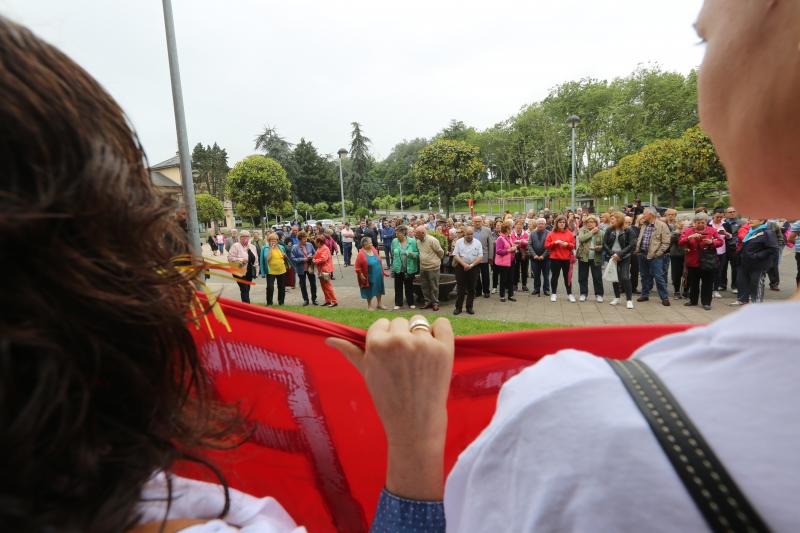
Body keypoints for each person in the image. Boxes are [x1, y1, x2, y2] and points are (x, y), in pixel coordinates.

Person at [679, 213, 724, 311]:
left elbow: (720, 242)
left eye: (703, 222)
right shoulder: (689, 231)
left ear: (706, 222)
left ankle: (706, 302)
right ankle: (693, 300)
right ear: (694, 223)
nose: (700, 224)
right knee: (693, 282)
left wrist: (712, 242)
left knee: (707, 283)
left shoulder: (712, 230)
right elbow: (681, 242)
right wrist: (689, 238)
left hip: (708, 261)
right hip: (693, 261)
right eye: (698, 222)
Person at [730, 218, 778, 306]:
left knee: (755, 283)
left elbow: (773, 248)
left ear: (762, 221)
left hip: (758, 264)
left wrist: (757, 256)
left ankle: (756, 303)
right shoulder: (751, 231)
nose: (750, 220)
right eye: (749, 218)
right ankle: (742, 299)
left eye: (753, 218)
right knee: (742, 281)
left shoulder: (767, 232)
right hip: (744, 262)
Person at [635, 207, 672, 306]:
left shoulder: (662, 225)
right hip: (642, 254)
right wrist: (638, 250)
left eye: (644, 214)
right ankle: (645, 294)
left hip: (655, 256)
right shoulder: (644, 225)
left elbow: (666, 242)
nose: (643, 216)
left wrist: (658, 253)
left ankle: (664, 297)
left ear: (651, 214)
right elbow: (641, 238)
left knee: (658, 277)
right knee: (644, 276)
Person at [602, 211, 635, 309]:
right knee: (614, 277)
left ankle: (629, 300)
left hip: (624, 257)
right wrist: (613, 254)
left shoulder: (628, 230)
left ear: (619, 219)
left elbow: (631, 245)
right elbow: (605, 244)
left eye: (613, 218)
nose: (611, 220)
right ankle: (617, 297)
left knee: (625, 277)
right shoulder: (609, 230)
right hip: (613, 257)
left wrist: (620, 254)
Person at [452, 226, 483, 315]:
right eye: (467, 234)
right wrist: (464, 264)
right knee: (460, 288)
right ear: (464, 233)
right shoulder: (459, 242)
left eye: (471, 234)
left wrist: (471, 265)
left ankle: (469, 307)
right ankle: (458, 308)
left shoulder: (477, 243)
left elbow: (480, 257)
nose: (469, 236)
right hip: (461, 268)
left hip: (473, 268)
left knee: (472, 288)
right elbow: (455, 255)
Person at [545, 215, 576, 303]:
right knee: (555, 276)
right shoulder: (551, 233)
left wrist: (567, 245)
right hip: (555, 259)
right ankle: (554, 294)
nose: (562, 224)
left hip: (567, 259)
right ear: (556, 223)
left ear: (565, 223)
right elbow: (546, 245)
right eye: (560, 222)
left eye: (563, 222)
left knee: (567, 277)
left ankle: (569, 294)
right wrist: (554, 243)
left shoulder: (569, 233)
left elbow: (573, 245)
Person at [415, 225, 445, 311]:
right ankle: (427, 302)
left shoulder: (432, 240)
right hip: (423, 267)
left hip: (433, 267)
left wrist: (435, 261)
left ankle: (435, 303)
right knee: (424, 286)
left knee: (434, 286)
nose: (416, 235)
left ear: (423, 233)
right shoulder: (418, 241)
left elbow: (440, 252)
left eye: (417, 234)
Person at [576, 215, 605, 303]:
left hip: (596, 257)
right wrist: (592, 232)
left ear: (596, 223)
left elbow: (605, 246)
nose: (589, 223)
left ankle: (599, 294)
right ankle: (583, 294)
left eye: (592, 222)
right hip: (583, 257)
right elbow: (581, 239)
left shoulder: (601, 232)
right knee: (582, 277)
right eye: (588, 222)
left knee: (597, 277)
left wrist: (599, 247)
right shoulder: (582, 230)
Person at [355, 237, 388, 310]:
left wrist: (382, 271)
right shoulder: (361, 254)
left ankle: (379, 304)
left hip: (378, 273)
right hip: (369, 274)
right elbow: (357, 267)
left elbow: (379, 260)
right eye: (370, 243)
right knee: (369, 290)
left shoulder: (373, 249)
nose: (372, 244)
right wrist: (361, 275)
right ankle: (369, 306)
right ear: (365, 244)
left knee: (379, 288)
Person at [391, 225, 419, 310]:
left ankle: (411, 303)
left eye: (398, 234)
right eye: (396, 233)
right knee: (398, 286)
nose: (396, 235)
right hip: (398, 268)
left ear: (403, 233)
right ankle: (398, 303)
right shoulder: (394, 241)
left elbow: (417, 253)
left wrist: (413, 254)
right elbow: (392, 253)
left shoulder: (412, 241)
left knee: (409, 286)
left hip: (409, 268)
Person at [227, 230, 259, 304]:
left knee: (247, 289)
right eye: (243, 236)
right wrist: (240, 260)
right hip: (238, 272)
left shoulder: (252, 247)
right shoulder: (236, 246)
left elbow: (256, 260)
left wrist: (256, 272)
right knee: (244, 288)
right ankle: (247, 307)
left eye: (247, 236)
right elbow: (230, 258)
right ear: (240, 237)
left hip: (249, 272)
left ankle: (244, 305)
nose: (245, 238)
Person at [259, 232, 288, 306]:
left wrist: (284, 256)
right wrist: (271, 249)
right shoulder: (266, 248)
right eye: (271, 240)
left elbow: (284, 258)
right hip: (271, 271)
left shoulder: (281, 247)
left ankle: (281, 302)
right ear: (268, 241)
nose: (273, 241)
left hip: (281, 270)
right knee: (270, 287)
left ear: (277, 240)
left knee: (281, 287)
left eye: (275, 240)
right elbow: (267, 259)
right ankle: (269, 303)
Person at [291, 231, 318, 306]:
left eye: (306, 238)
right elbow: (293, 259)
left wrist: (311, 257)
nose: (306, 240)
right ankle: (306, 300)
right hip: (301, 269)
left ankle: (314, 299)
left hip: (310, 267)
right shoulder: (295, 247)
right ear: (299, 239)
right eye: (304, 239)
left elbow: (314, 253)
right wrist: (303, 259)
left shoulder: (309, 245)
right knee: (303, 285)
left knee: (313, 284)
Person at [492, 222, 516, 302]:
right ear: (506, 229)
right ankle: (502, 296)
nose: (512, 230)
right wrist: (509, 250)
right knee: (503, 279)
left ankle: (510, 295)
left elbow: (511, 246)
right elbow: (498, 251)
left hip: (511, 261)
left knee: (511, 279)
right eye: (510, 228)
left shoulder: (509, 237)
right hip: (504, 263)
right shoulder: (500, 238)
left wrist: (515, 247)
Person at [709, 207, 731, 298]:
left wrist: (726, 234)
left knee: (719, 271)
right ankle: (709, 288)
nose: (719, 219)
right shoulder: (708, 224)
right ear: (713, 215)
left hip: (722, 251)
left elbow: (730, 237)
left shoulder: (726, 224)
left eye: (721, 217)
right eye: (717, 217)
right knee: (710, 270)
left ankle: (716, 289)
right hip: (710, 251)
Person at [722, 206, 742, 293]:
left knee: (735, 268)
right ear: (726, 214)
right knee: (723, 267)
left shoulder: (741, 223)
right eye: (730, 212)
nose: (732, 213)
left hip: (734, 248)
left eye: (734, 211)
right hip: (723, 247)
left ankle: (735, 286)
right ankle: (722, 285)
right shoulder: (722, 223)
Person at [312, 235, 337, 307]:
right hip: (321, 270)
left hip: (325, 269)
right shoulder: (320, 248)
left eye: (316, 242)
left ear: (319, 242)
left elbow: (324, 259)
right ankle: (328, 300)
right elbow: (318, 256)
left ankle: (334, 301)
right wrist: (313, 258)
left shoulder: (325, 248)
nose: (315, 243)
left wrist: (315, 261)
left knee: (328, 286)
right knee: (324, 286)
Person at [528, 218, 551, 297]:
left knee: (546, 275)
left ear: (545, 225)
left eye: (542, 223)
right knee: (536, 275)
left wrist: (543, 256)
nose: (540, 225)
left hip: (546, 258)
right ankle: (536, 289)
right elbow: (529, 245)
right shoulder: (532, 233)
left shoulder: (549, 233)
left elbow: (549, 247)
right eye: (539, 223)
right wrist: (534, 255)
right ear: (536, 225)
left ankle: (546, 289)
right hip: (534, 258)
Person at [472, 216, 492, 298]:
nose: (477, 223)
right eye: (475, 221)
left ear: (482, 222)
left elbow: (490, 244)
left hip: (484, 256)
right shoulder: (470, 230)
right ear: (473, 222)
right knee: (475, 275)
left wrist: (490, 257)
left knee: (485, 275)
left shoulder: (487, 230)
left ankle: (486, 291)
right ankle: (478, 291)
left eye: (479, 221)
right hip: (473, 257)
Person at [669, 219, 688, 299]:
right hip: (676, 255)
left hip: (688, 255)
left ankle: (686, 291)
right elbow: (673, 238)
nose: (687, 227)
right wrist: (680, 232)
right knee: (676, 274)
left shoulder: (690, 232)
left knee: (687, 274)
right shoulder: (675, 234)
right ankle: (676, 291)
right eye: (685, 226)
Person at [510, 220, 530, 293]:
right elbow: (512, 243)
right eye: (517, 225)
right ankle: (515, 285)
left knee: (524, 270)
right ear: (514, 226)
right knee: (515, 270)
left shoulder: (526, 234)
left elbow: (527, 244)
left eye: (520, 225)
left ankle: (524, 285)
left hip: (525, 253)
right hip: (515, 253)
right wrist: (521, 242)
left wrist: (519, 243)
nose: (518, 227)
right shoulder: (511, 234)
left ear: (522, 226)